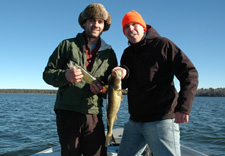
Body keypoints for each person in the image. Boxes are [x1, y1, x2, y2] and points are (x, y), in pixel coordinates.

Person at [113, 10, 199, 156]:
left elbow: (190, 73)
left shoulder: (163, 45)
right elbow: (126, 84)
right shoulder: (127, 53)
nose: (130, 29)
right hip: (135, 121)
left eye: (134, 24)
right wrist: (121, 75)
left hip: (162, 120)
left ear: (143, 26)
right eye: (126, 27)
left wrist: (184, 108)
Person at [43, 3, 117, 156]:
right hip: (67, 111)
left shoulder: (110, 54)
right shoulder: (66, 45)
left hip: (94, 113)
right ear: (84, 23)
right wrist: (65, 76)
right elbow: (47, 74)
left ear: (104, 25)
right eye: (91, 20)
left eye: (100, 21)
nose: (95, 24)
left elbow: (112, 88)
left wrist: (102, 90)